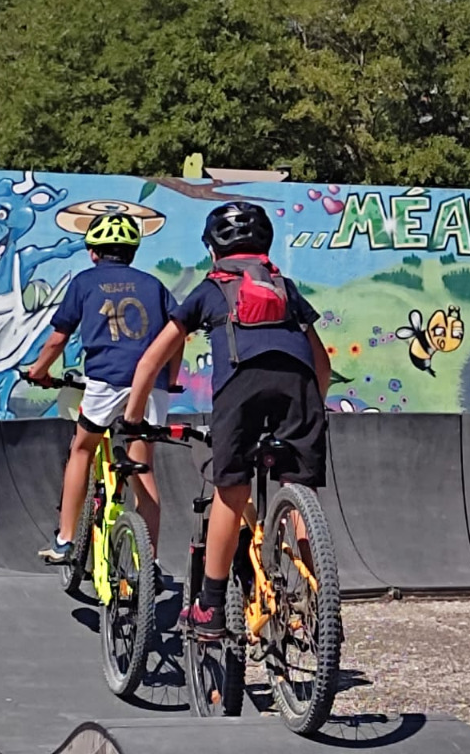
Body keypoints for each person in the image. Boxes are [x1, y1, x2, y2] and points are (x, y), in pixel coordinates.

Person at [117, 200, 331, 638]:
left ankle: (210, 607)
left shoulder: (210, 290)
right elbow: (322, 362)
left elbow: (151, 359)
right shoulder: (285, 288)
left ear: (213, 250)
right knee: (299, 489)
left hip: (241, 387)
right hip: (300, 385)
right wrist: (313, 405)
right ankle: (320, 605)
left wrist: (133, 419)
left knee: (231, 493)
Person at [28, 211, 181, 576]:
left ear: (93, 251)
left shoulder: (84, 282)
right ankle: (150, 560)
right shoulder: (154, 285)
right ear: (133, 251)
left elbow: (58, 338)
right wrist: (171, 380)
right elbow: (177, 336)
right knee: (144, 466)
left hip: (106, 382)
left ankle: (65, 539)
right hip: (151, 386)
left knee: (82, 449)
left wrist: (39, 372)